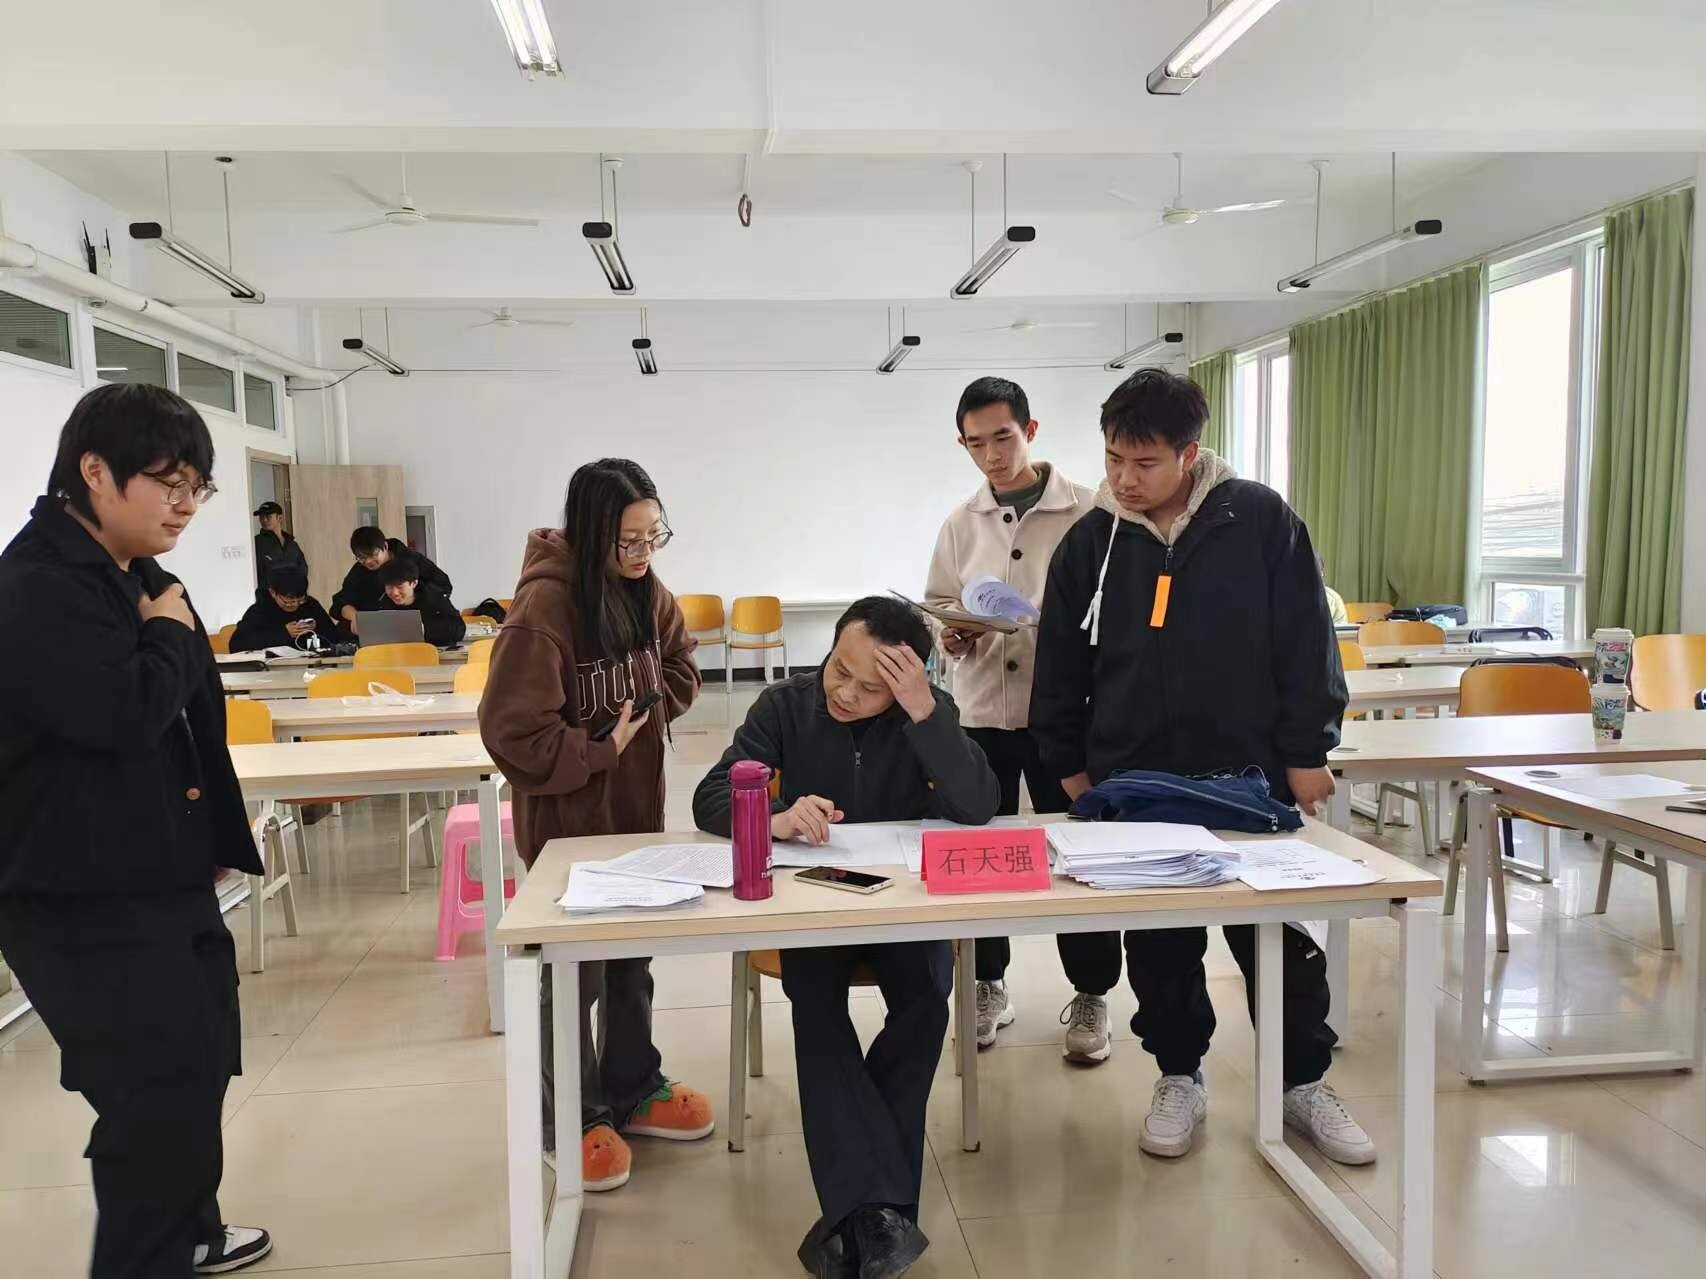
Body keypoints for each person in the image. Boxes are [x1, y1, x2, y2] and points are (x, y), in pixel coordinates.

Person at [1028, 367, 1371, 1168]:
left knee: (1277, 936)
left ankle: (1302, 1080)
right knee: (1161, 943)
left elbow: (1306, 641)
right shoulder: (1091, 541)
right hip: (1136, 782)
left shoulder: (1259, 520)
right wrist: (1070, 767)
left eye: (1144, 462)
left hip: (1250, 779)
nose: (1124, 478)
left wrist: (1308, 751)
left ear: (1189, 453)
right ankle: (1179, 1073)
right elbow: (1060, 663)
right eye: (1113, 459)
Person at [0, 383, 272, 1277]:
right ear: (94, 471)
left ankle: (190, 1230)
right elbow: (121, 715)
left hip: (159, 872)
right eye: (169, 482)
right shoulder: (38, 587)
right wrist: (167, 637)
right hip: (81, 891)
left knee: (200, 1060)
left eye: (198, 485)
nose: (187, 504)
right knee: (153, 1095)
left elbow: (189, 717)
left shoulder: (139, 574)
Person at [693, 598, 999, 1279]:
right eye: (839, 671)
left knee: (926, 1002)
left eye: (872, 688)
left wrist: (924, 712)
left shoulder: (925, 711)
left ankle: (861, 1212)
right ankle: (882, 1213)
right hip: (815, 905)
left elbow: (980, 805)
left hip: (902, 906)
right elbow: (710, 794)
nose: (848, 694)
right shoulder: (784, 706)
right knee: (817, 1005)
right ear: (828, 651)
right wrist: (775, 814)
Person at [479, 458, 712, 1195]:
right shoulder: (544, 607)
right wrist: (600, 748)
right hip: (569, 831)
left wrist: (651, 706)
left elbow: (681, 664)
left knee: (630, 961)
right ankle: (569, 1118)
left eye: (653, 536)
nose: (643, 553)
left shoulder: (647, 591)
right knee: (570, 974)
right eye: (628, 540)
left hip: (635, 818)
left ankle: (633, 1087)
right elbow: (512, 733)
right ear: (589, 533)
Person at [924, 376, 1097, 1056]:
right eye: (976, 444)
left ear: (1030, 430)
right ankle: (988, 981)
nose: (992, 455)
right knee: (980, 852)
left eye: (1003, 437)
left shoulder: (1088, 510)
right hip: (982, 710)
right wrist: (953, 632)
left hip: (1066, 715)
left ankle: (1092, 992)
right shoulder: (959, 522)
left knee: (1078, 851)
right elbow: (941, 601)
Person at [329, 526, 452, 633]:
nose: (368, 561)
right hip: (374, 630)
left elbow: (443, 585)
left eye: (373, 555)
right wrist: (355, 617)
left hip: (416, 627)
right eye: (362, 558)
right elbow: (341, 602)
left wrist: (414, 599)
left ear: (385, 546)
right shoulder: (359, 571)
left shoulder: (411, 560)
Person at [230, 564, 348, 653]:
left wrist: (317, 628)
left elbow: (335, 639)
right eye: (288, 601)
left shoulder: (310, 605)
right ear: (273, 592)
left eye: (300, 600)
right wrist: (284, 633)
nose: (295, 605)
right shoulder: (259, 610)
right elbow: (237, 644)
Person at [376, 555, 466, 647]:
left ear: (414, 583)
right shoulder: (384, 604)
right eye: (389, 587)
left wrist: (423, 629)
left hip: (434, 652)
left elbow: (459, 630)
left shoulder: (435, 599)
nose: (394, 593)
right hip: (397, 653)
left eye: (400, 586)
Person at [251, 500, 306, 592]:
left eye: (268, 516)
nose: (264, 520)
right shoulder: (257, 542)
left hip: (292, 597)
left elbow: (303, 570)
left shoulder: (292, 544)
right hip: (267, 597)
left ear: (279, 518)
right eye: (261, 517)